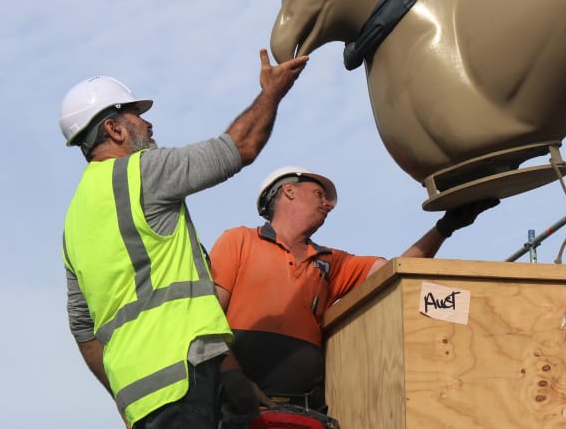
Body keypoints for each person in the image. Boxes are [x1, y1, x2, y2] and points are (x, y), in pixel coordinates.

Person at [61, 49, 309, 429]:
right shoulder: (141, 173)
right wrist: (272, 93)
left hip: (139, 401)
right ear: (114, 129)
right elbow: (239, 148)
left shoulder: (73, 223)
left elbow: (85, 333)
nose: (149, 123)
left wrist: (231, 378)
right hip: (181, 385)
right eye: (137, 116)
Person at [209, 166, 496, 427]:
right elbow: (208, 318)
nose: (329, 204)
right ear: (289, 190)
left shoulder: (330, 261)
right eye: (319, 194)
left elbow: (396, 271)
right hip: (238, 410)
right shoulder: (239, 241)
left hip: (305, 413)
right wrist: (234, 378)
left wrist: (444, 228)